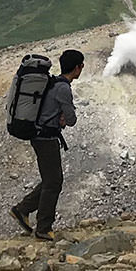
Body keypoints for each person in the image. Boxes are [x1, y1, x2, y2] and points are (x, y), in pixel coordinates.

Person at [12, 48, 82, 240]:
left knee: (50, 179)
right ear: (77, 68)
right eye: (81, 66)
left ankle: (22, 210)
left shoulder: (52, 83)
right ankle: (43, 227)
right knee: (54, 182)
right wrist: (63, 116)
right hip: (47, 138)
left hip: (40, 136)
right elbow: (72, 119)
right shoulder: (63, 88)